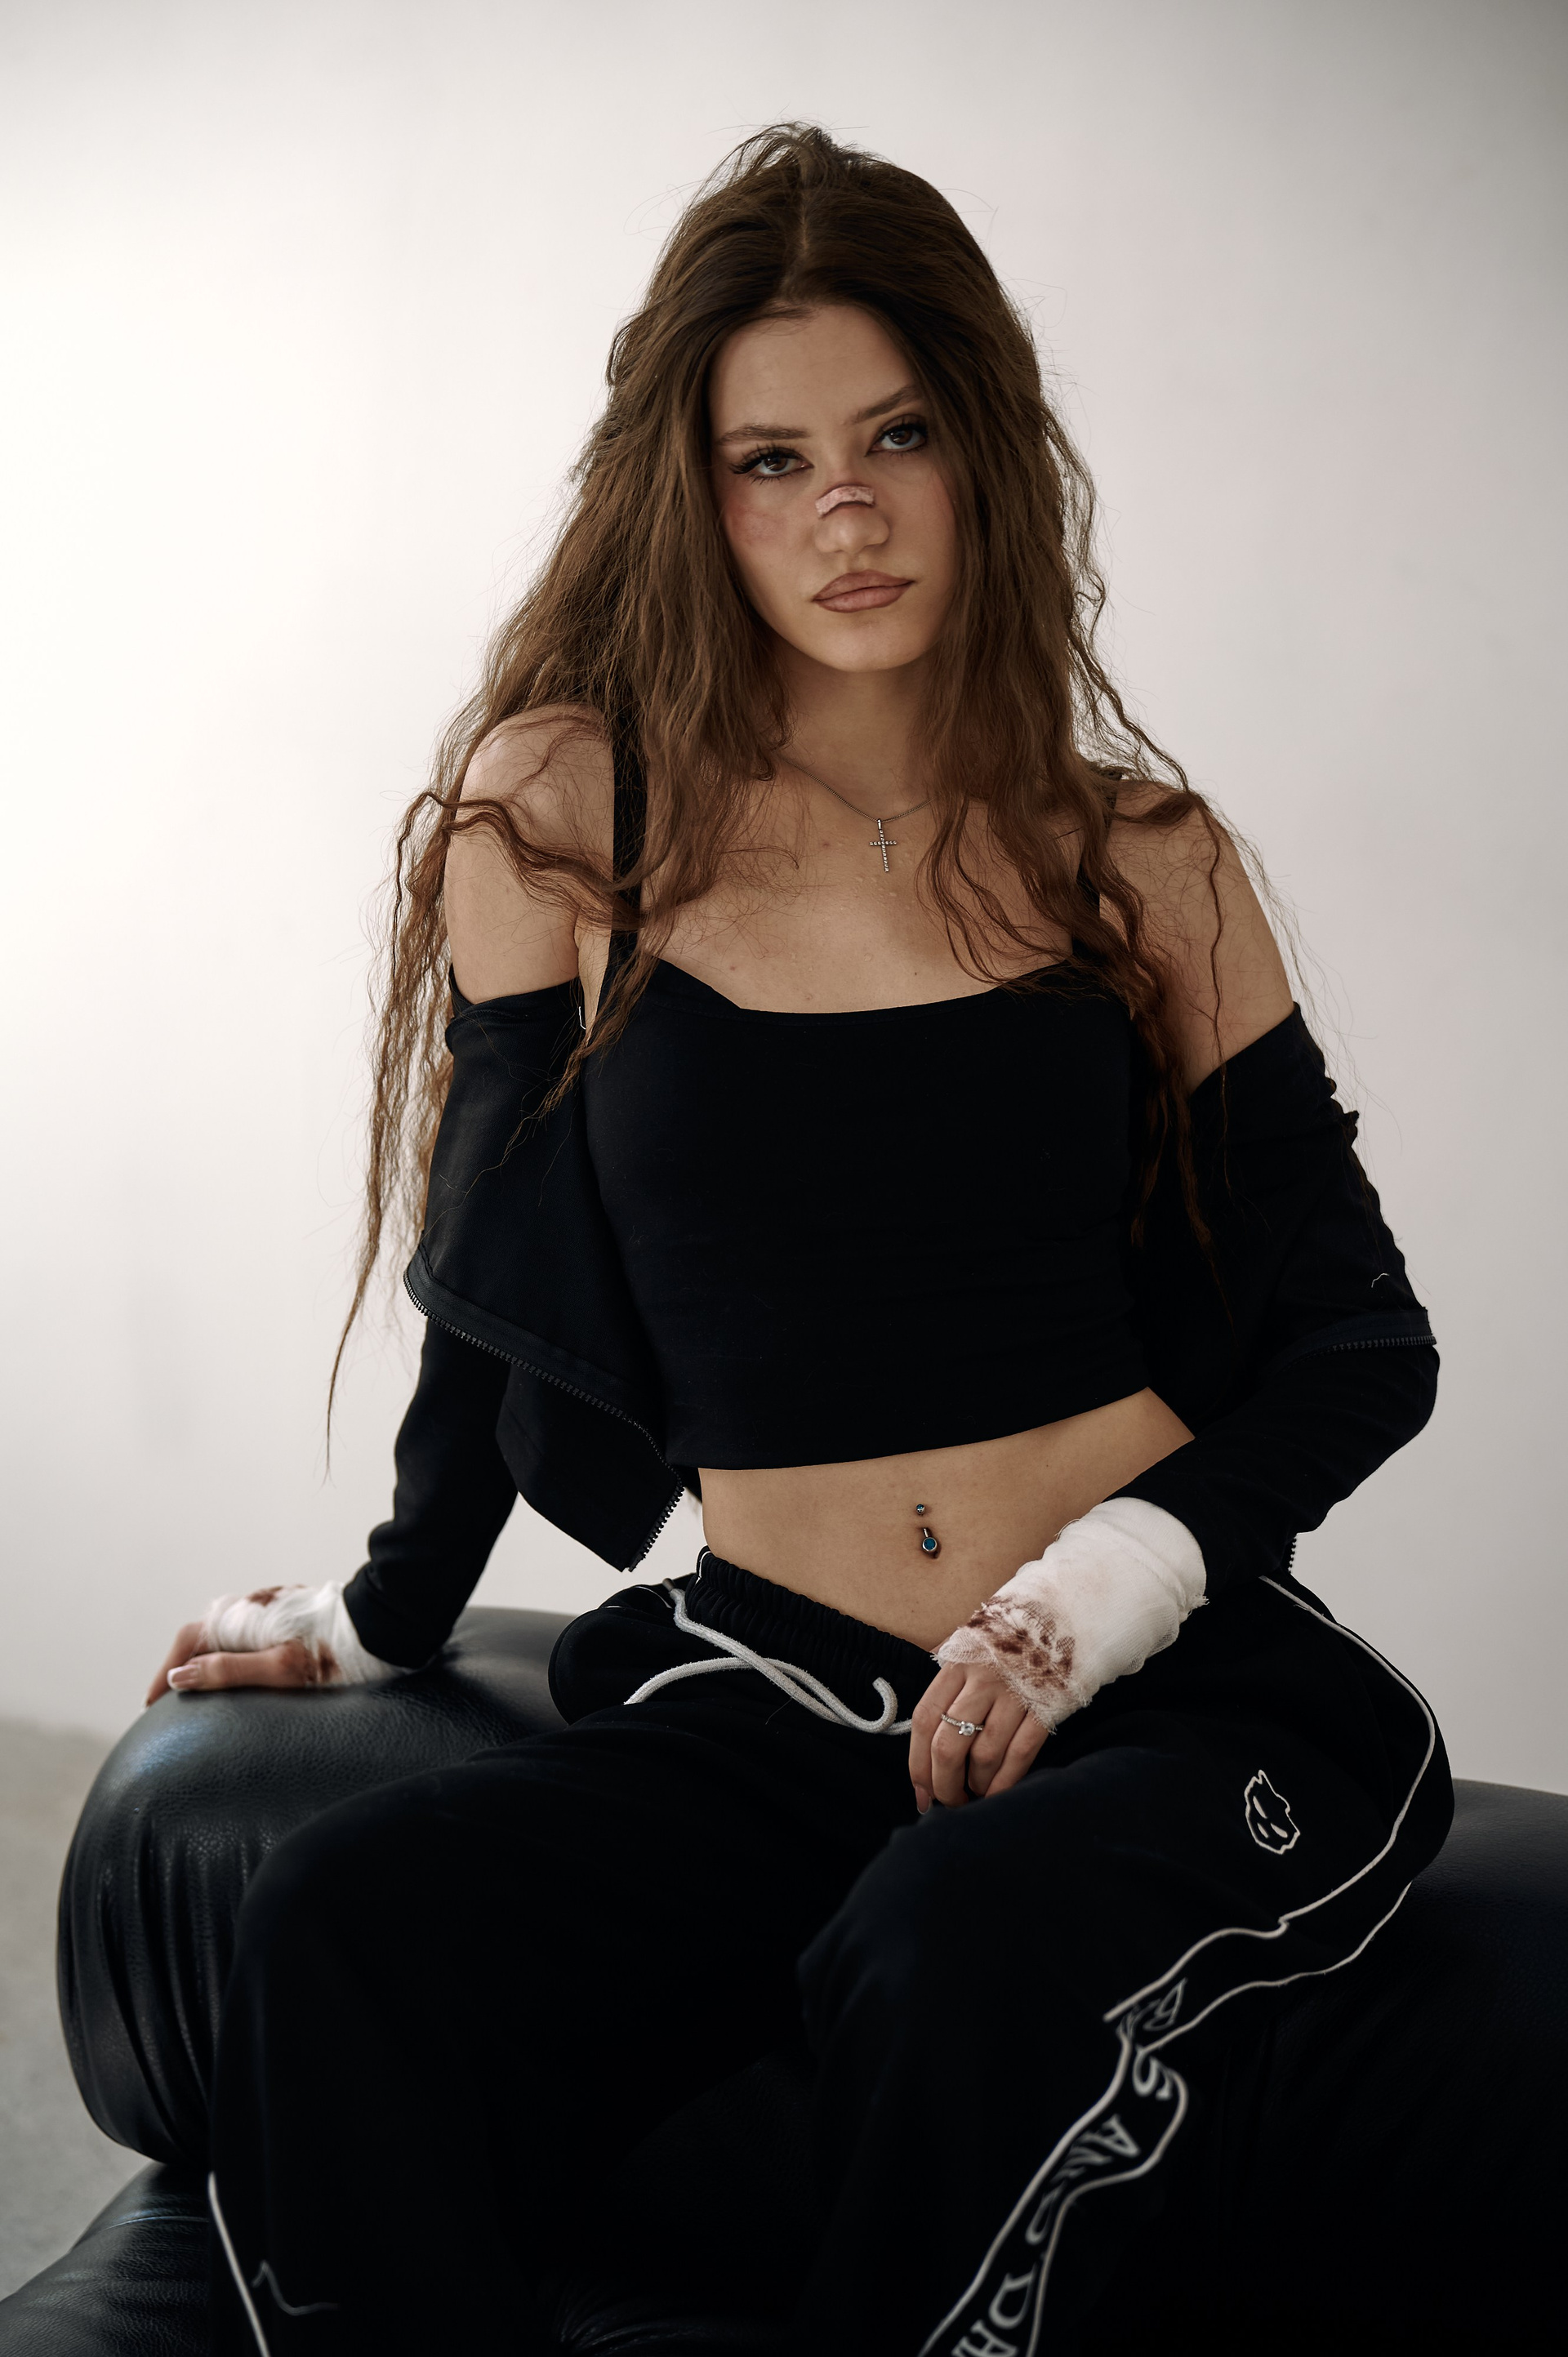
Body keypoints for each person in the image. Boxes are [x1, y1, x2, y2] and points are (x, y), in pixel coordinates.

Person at [151, 127, 1450, 2356]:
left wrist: (1099, 1594)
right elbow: (496, 1278)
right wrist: (385, 1609)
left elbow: (1361, 1338)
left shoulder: (1138, 859)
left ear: (985, 453)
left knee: (951, 1954)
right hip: (776, 1692)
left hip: (1155, 1698)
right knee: (339, 1924)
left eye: (896, 438)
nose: (846, 512)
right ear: (695, 493)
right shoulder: (564, 818)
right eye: (773, 461)